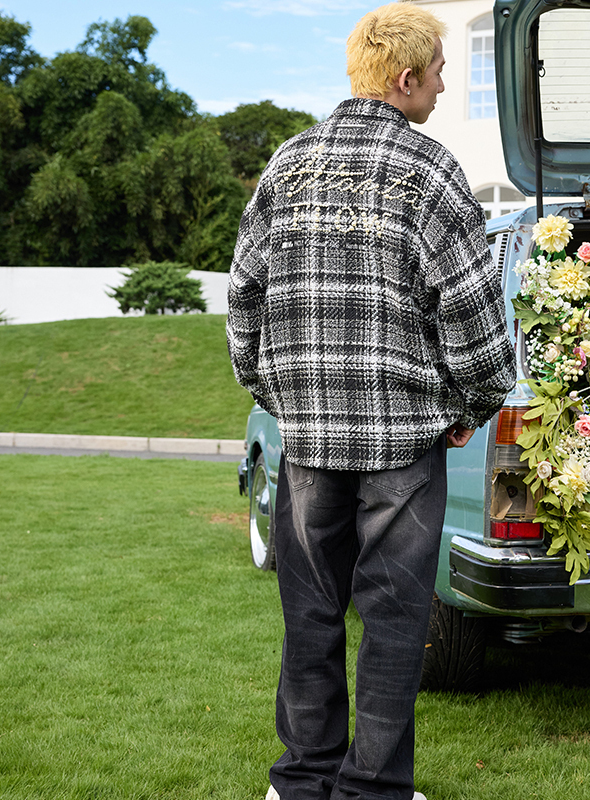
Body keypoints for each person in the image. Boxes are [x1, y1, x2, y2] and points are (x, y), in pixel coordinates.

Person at [226, 3, 516, 799]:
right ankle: (373, 790)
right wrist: (472, 405)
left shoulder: (286, 164)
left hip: (309, 439)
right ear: (406, 77)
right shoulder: (431, 171)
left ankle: (302, 781)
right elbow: (473, 316)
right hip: (403, 442)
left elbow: (244, 297)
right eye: (441, 72)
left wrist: (276, 394)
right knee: (392, 620)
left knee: (310, 613)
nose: (445, 86)